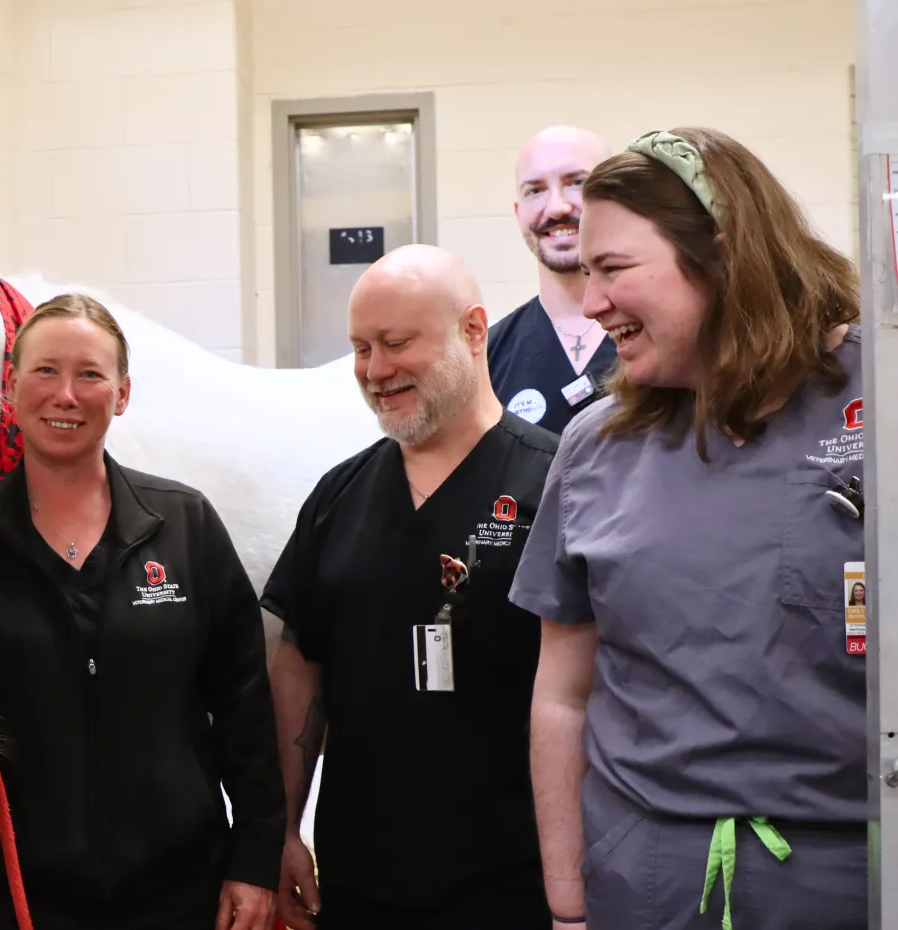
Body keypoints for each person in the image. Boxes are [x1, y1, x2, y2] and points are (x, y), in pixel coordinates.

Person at [510, 127, 866, 930]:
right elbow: (563, 693)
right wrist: (569, 901)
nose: (592, 302)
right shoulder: (597, 446)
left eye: (614, 269)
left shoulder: (872, 401)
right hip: (648, 880)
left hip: (851, 873)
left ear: (722, 254)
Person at [0, 293, 285, 930]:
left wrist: (254, 858)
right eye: (45, 371)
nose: (66, 394)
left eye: (90, 374)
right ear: (11, 387)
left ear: (121, 393)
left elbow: (244, 708)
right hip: (23, 898)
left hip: (181, 894)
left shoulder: (184, 524)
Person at [265, 244, 559, 929]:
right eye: (361, 349)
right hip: (363, 883)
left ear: (474, 330)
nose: (374, 370)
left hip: (518, 887)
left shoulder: (557, 483)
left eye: (396, 343)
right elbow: (296, 671)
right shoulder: (338, 498)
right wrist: (278, 831)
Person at [489, 126, 618, 434]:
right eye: (535, 190)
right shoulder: (487, 358)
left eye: (577, 183)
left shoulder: (664, 335)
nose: (557, 207)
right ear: (518, 212)